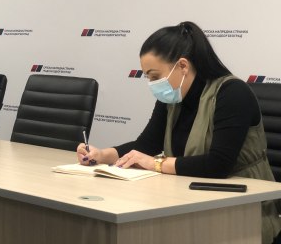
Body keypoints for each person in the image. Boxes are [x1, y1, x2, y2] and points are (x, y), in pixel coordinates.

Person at [77, 21, 281, 244]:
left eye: (155, 76)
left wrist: (154, 163)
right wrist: (102, 155)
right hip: (189, 200)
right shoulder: (171, 96)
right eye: (148, 77)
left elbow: (218, 164)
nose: (152, 84)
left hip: (242, 209)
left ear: (183, 65)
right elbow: (146, 145)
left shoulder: (232, 93)